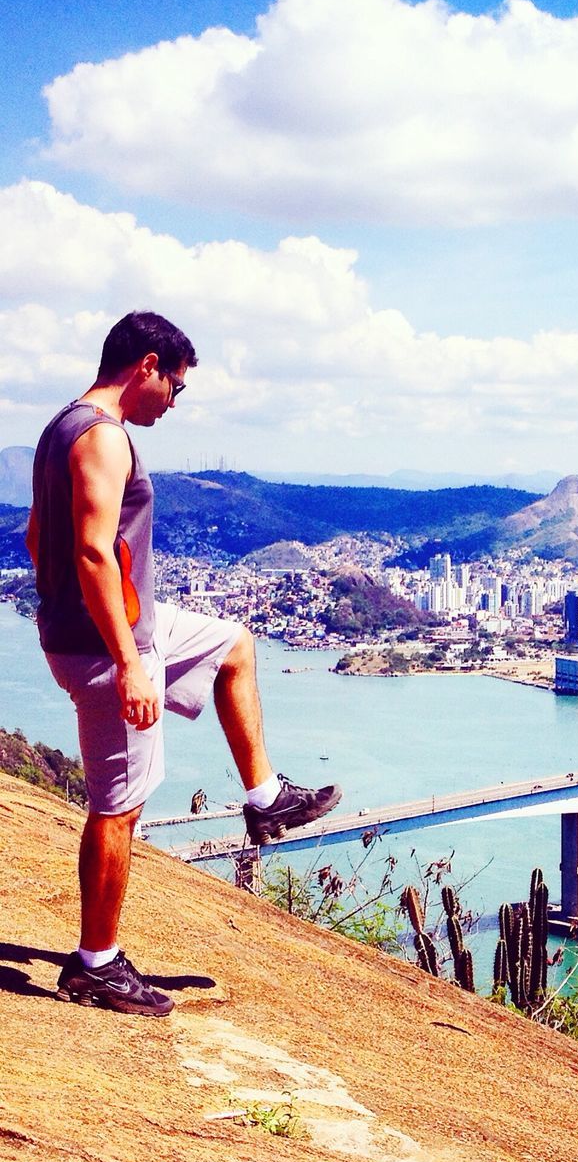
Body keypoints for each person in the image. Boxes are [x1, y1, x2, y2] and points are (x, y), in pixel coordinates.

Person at [27, 310, 341, 1017]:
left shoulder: (60, 429)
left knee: (235, 644)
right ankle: (95, 966)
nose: (174, 400)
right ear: (146, 365)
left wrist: (68, 615)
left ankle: (267, 800)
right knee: (119, 809)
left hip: (114, 628)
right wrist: (127, 662)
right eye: (175, 385)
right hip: (112, 646)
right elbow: (89, 552)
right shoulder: (104, 438)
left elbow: (35, 536)